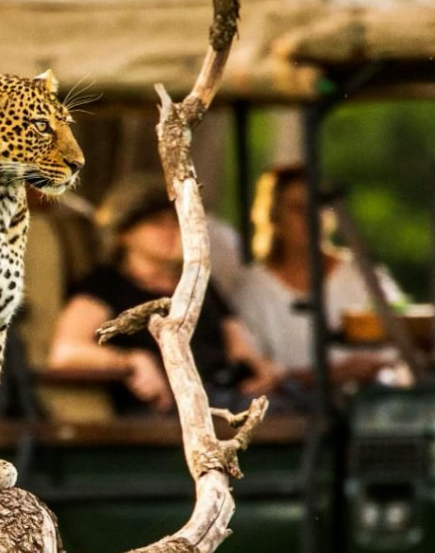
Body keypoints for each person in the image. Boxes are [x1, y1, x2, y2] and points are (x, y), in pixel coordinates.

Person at [48, 175, 283, 416]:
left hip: (222, 397)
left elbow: (238, 345)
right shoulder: (106, 285)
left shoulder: (198, 282)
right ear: (124, 233)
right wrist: (131, 360)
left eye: (176, 221)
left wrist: (260, 370)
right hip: (157, 410)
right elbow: (66, 352)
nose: (170, 231)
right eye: (156, 223)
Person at [230, 163, 405, 392]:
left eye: (318, 207)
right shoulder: (252, 288)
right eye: (298, 209)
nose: (311, 218)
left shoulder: (362, 274)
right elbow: (253, 371)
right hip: (291, 413)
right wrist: (333, 374)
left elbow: (402, 339)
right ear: (274, 217)